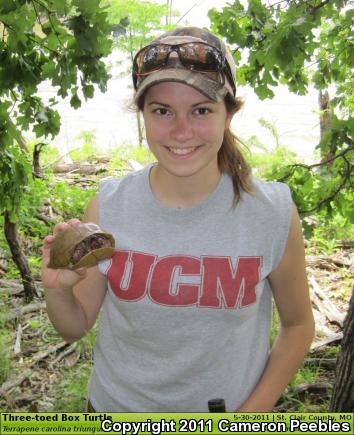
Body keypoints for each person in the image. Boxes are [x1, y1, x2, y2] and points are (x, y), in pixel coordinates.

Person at [42, 26, 315, 412]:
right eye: (162, 111)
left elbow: (298, 327)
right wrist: (57, 289)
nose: (181, 131)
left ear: (229, 114)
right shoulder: (108, 207)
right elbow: (75, 325)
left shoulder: (270, 212)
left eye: (201, 110)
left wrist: (250, 417)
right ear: (143, 116)